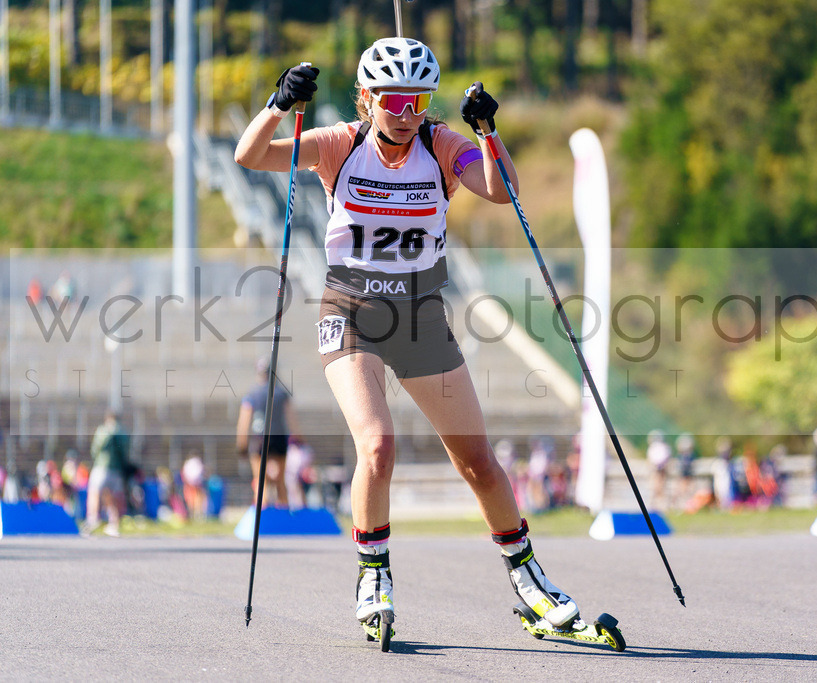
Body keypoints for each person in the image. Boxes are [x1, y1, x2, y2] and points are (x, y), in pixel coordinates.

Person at [235, 37, 583, 635]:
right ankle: (373, 574)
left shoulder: (442, 145)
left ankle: (529, 580)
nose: (405, 114)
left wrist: (486, 131)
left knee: (475, 458)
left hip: (421, 314)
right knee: (377, 444)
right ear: (368, 97)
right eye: (393, 101)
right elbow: (251, 155)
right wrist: (278, 102)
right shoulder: (336, 144)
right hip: (352, 311)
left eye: (417, 101)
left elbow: (502, 190)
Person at [236, 357, 302, 507]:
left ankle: (262, 516)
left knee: (260, 480)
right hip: (279, 439)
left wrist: (242, 445)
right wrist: (299, 438)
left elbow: (243, 422)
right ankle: (284, 515)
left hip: (259, 439)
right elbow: (292, 420)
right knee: (280, 481)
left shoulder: (252, 394)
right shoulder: (282, 393)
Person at [82, 410, 131, 537]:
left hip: (102, 467)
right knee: (113, 496)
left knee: (95, 492)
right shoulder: (122, 432)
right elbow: (125, 450)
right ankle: (113, 523)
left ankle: (93, 519)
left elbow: (96, 449)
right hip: (116, 469)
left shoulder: (103, 430)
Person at [646, 430, 672, 511]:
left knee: (660, 486)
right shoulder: (657, 448)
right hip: (656, 469)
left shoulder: (661, 447)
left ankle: (659, 504)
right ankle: (655, 504)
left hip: (660, 469)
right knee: (656, 486)